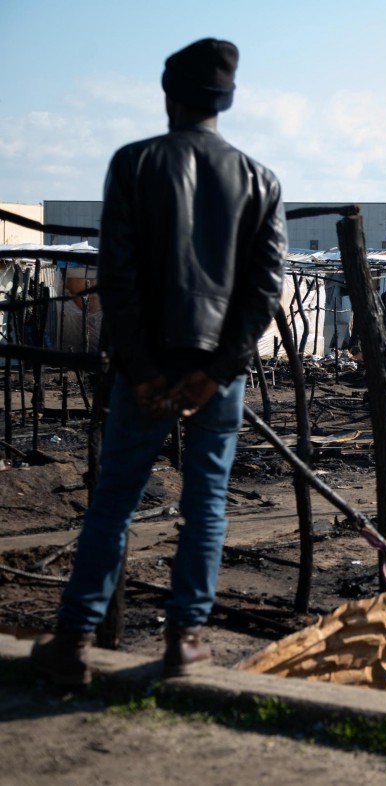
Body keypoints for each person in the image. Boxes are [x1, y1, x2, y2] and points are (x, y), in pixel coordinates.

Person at [30, 38, 286, 685]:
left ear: (169, 96)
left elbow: (117, 278)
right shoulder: (261, 180)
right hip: (215, 376)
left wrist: (143, 370)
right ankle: (186, 641)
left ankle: (73, 640)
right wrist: (217, 372)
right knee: (207, 505)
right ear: (226, 100)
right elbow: (263, 293)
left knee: (112, 504)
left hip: (142, 367)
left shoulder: (134, 163)